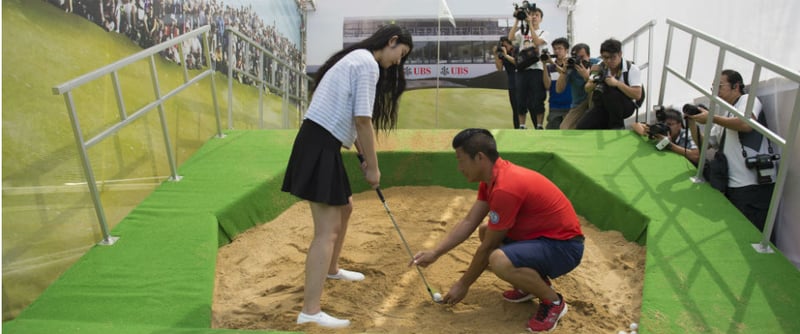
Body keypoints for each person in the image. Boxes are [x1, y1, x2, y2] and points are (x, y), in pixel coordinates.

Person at [281, 24, 413, 328]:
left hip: (321, 143)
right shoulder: (367, 63)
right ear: (392, 41)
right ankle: (310, 311)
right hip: (318, 146)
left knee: (346, 208)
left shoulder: (358, 59)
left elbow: (351, 120)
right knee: (325, 232)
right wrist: (375, 168)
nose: (398, 62)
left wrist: (365, 157)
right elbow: (363, 121)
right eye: (400, 54)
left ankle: (332, 269)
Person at [411, 128, 584, 332]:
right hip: (545, 240)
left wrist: (463, 284)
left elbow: (488, 248)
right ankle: (528, 286)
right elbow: (469, 222)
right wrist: (435, 253)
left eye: (461, 160)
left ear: (480, 157)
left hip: (565, 248)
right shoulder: (491, 179)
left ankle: (553, 302)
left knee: (498, 259)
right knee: (486, 231)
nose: (459, 167)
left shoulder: (505, 188)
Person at [687, 69, 777, 233]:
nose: (714, 92)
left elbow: (746, 124)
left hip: (753, 186)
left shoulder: (748, 99)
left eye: (719, 86)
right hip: (734, 187)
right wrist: (692, 122)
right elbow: (705, 145)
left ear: (736, 86)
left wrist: (711, 117)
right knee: (740, 236)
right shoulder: (727, 114)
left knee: (755, 235)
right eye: (713, 87)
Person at [577, 38, 642, 129]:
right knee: (582, 127)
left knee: (612, 92)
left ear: (620, 54)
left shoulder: (632, 68)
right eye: (605, 57)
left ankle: (617, 126)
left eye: (612, 57)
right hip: (603, 106)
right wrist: (595, 80)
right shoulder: (600, 66)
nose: (608, 61)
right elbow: (587, 88)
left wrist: (617, 83)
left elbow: (637, 95)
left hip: (626, 106)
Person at [508, 6, 549, 129]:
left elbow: (537, 42)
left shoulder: (544, 32)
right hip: (522, 69)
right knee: (520, 98)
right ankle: (522, 125)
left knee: (537, 98)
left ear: (541, 19)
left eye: (537, 15)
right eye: (532, 14)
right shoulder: (522, 32)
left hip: (537, 69)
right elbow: (510, 39)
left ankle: (540, 125)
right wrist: (517, 19)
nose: (534, 17)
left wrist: (530, 24)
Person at [632, 107, 700, 165]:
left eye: (670, 124)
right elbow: (635, 124)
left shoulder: (688, 134)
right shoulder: (660, 130)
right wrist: (646, 132)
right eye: (663, 124)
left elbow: (696, 156)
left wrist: (670, 145)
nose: (666, 127)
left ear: (679, 125)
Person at [557, 43, 600, 129]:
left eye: (582, 57)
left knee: (592, 90)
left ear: (589, 56)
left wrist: (587, 77)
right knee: (564, 128)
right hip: (579, 103)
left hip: (595, 102)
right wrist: (564, 71)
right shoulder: (571, 67)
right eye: (576, 57)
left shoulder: (597, 64)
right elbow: (559, 90)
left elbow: (601, 85)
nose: (579, 61)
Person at [542, 37, 573, 129]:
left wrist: (552, 63)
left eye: (560, 48)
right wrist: (544, 64)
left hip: (571, 106)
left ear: (566, 50)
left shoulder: (571, 64)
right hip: (555, 105)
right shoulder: (549, 67)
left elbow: (567, 76)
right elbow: (547, 85)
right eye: (555, 49)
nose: (556, 51)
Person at [494, 37, 522, 129]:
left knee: (529, 108)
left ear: (510, 44)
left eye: (505, 45)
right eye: (502, 45)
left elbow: (517, 63)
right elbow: (499, 68)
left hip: (522, 82)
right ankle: (518, 130)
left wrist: (506, 55)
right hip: (512, 84)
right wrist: (495, 55)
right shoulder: (502, 54)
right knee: (515, 110)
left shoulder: (517, 50)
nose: (503, 47)